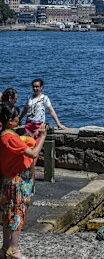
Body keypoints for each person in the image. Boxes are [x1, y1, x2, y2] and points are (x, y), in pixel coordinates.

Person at [0, 104, 47, 259]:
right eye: (16, 117)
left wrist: (33, 136)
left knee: (8, 214)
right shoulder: (10, 137)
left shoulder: (5, 135)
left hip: (9, 181)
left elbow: (19, 148)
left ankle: (6, 248)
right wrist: (42, 137)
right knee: (17, 214)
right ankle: (14, 250)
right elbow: (33, 153)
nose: (18, 119)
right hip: (17, 182)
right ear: (9, 121)